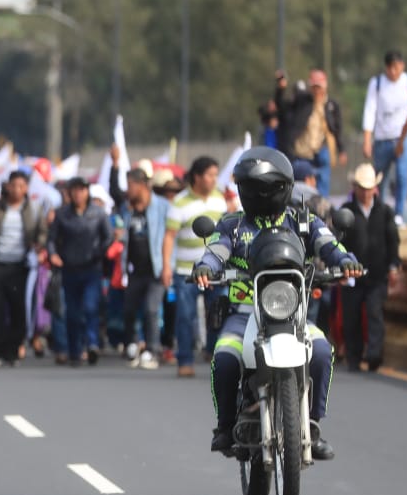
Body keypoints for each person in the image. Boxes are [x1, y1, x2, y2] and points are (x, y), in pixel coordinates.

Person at [195, 147, 362, 460]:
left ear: (284, 187)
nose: (261, 194)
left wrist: (347, 261)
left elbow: (330, 245)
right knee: (225, 358)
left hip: (292, 314)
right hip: (244, 314)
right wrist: (206, 267)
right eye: (253, 188)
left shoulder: (303, 222)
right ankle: (225, 425)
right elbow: (215, 251)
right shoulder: (232, 226)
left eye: (269, 188)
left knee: (323, 352)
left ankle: (312, 423)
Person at [0, 170, 46, 368]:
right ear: (7, 186)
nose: (17, 190)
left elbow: (42, 233)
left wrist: (39, 246)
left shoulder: (34, 209)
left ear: (26, 188)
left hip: (20, 266)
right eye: (13, 185)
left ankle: (13, 350)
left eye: (21, 186)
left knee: (17, 308)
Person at [162, 157, 226, 377]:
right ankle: (185, 360)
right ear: (197, 177)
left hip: (216, 272)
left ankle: (214, 352)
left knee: (219, 313)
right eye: (209, 175)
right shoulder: (179, 203)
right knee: (186, 316)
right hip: (186, 272)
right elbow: (169, 237)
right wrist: (166, 267)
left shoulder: (221, 201)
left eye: (216, 175)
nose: (213, 179)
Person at [109, 149, 168, 370]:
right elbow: (114, 192)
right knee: (129, 310)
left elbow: (168, 238)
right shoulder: (127, 209)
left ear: (142, 185)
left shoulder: (161, 207)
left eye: (131, 185)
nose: (128, 190)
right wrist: (115, 165)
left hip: (156, 269)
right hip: (134, 270)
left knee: (152, 310)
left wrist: (167, 267)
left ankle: (153, 350)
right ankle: (133, 345)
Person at [339, 164, 400, 372]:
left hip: (377, 274)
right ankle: (353, 357)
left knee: (375, 313)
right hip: (352, 275)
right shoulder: (346, 212)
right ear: (355, 187)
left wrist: (393, 267)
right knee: (351, 316)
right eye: (362, 187)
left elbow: (393, 241)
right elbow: (338, 244)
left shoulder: (385, 212)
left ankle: (374, 356)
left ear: (375, 188)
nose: (365, 192)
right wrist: (341, 269)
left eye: (369, 188)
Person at [47, 177, 112, 366]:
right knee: (72, 313)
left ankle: (92, 343)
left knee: (91, 308)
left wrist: (98, 252)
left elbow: (108, 237)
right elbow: (52, 239)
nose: (78, 194)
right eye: (74, 190)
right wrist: (53, 254)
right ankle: (74, 350)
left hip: (92, 268)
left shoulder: (98, 213)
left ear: (87, 192)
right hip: (69, 269)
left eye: (81, 190)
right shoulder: (62, 215)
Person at [362, 51, 407, 216]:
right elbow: (369, 111)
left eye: (396, 67)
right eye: (390, 68)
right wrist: (367, 139)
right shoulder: (377, 83)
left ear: (402, 65)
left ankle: (398, 214)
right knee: (381, 179)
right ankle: (380, 213)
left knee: (402, 176)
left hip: (404, 138)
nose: (393, 72)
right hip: (382, 139)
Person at [275, 69, 344, 197]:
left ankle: (322, 210)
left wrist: (341, 150)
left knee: (322, 187)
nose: (317, 91)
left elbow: (337, 129)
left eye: (319, 87)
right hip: (303, 152)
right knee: (301, 190)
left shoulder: (331, 105)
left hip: (321, 150)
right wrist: (280, 89)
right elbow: (282, 108)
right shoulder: (302, 101)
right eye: (314, 87)